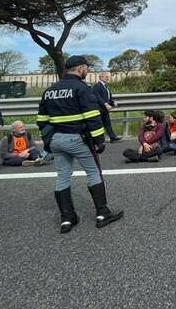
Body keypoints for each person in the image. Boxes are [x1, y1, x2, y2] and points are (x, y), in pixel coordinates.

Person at [37, 55, 123, 234]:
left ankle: (67, 218)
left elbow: (42, 120)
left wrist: (48, 142)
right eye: (86, 68)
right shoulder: (81, 88)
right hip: (78, 138)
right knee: (93, 172)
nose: (87, 71)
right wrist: (99, 140)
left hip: (56, 140)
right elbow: (92, 116)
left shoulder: (50, 90)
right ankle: (102, 213)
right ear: (80, 68)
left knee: (62, 176)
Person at [92, 71, 122, 143]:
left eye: (108, 77)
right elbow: (97, 96)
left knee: (107, 123)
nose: (108, 78)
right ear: (101, 77)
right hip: (99, 109)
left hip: (104, 109)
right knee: (98, 125)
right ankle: (97, 140)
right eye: (106, 77)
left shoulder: (105, 86)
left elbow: (108, 97)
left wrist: (113, 102)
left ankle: (113, 137)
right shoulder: (97, 86)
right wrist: (105, 104)